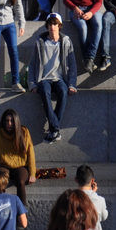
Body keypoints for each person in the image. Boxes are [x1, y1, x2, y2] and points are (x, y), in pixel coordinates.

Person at [28, 11, 77, 142]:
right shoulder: (40, 42)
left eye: (55, 24)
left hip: (60, 78)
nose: (52, 26)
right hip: (44, 79)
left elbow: (72, 65)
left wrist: (72, 84)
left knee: (63, 91)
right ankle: (55, 128)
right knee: (44, 91)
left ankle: (53, 130)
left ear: (59, 26)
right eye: (49, 24)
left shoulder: (65, 41)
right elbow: (32, 64)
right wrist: (32, 84)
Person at [0, 107, 36, 206]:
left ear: (16, 121)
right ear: (3, 122)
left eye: (12, 121)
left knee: (20, 181)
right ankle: (0, 208)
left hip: (21, 166)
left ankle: (21, 213)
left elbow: (31, 153)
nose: (9, 124)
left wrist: (32, 173)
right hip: (3, 165)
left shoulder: (24, 132)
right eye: (7, 121)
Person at [75, 165, 108, 230]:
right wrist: (93, 193)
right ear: (92, 181)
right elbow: (104, 216)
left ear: (76, 180)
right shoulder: (100, 200)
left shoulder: (70, 199)